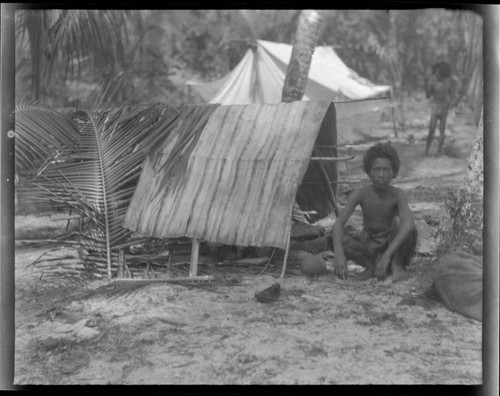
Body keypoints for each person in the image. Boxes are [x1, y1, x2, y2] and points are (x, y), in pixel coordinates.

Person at [330, 142, 417, 282]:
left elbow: (409, 224)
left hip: (393, 246)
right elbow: (338, 224)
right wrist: (339, 255)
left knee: (399, 222)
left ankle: (396, 264)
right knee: (343, 241)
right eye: (376, 169)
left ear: (394, 172)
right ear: (368, 172)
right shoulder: (360, 193)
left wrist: (388, 255)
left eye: (386, 170)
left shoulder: (398, 194)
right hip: (370, 244)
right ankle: (371, 267)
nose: (381, 175)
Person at [425, 61, 457, 155]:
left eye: (439, 73)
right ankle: (427, 149)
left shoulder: (448, 83)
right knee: (432, 129)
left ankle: (439, 150)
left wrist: (452, 103)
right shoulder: (432, 82)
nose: (437, 74)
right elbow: (428, 95)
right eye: (436, 72)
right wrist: (427, 86)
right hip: (435, 107)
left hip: (444, 108)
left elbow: (451, 95)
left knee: (442, 129)